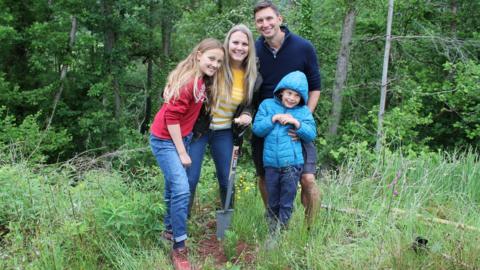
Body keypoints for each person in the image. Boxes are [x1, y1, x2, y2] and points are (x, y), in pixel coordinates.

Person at [149, 38, 225, 270]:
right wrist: (182, 152)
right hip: (165, 140)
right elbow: (171, 118)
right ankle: (179, 248)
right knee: (182, 189)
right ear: (198, 54)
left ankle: (169, 232)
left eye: (219, 61)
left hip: (181, 137)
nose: (215, 64)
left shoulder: (199, 78)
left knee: (174, 187)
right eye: (211, 59)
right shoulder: (189, 82)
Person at [252, 1, 322, 226]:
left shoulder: (303, 47)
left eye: (269, 18)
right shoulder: (253, 50)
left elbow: (315, 88)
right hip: (268, 124)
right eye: (260, 20)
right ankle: (276, 224)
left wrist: (300, 121)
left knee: (307, 178)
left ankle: (310, 229)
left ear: (279, 19)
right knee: (265, 177)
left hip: (297, 125)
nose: (265, 24)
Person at [187, 24, 261, 213]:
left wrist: (246, 114)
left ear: (250, 47)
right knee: (190, 178)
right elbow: (190, 81)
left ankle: (227, 223)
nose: (239, 47)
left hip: (226, 132)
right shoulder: (216, 65)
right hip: (200, 129)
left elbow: (249, 103)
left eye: (245, 44)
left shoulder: (252, 75)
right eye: (235, 42)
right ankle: (179, 224)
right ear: (227, 44)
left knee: (227, 179)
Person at [252, 71, 316, 234]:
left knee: (287, 199)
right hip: (271, 164)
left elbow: (311, 133)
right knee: (272, 199)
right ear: (281, 91)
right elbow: (257, 129)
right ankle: (272, 229)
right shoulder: (267, 106)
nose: (292, 98)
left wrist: (297, 124)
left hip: (292, 165)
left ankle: (283, 230)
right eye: (289, 93)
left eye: (296, 95)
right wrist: (272, 119)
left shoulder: (302, 112)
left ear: (301, 98)